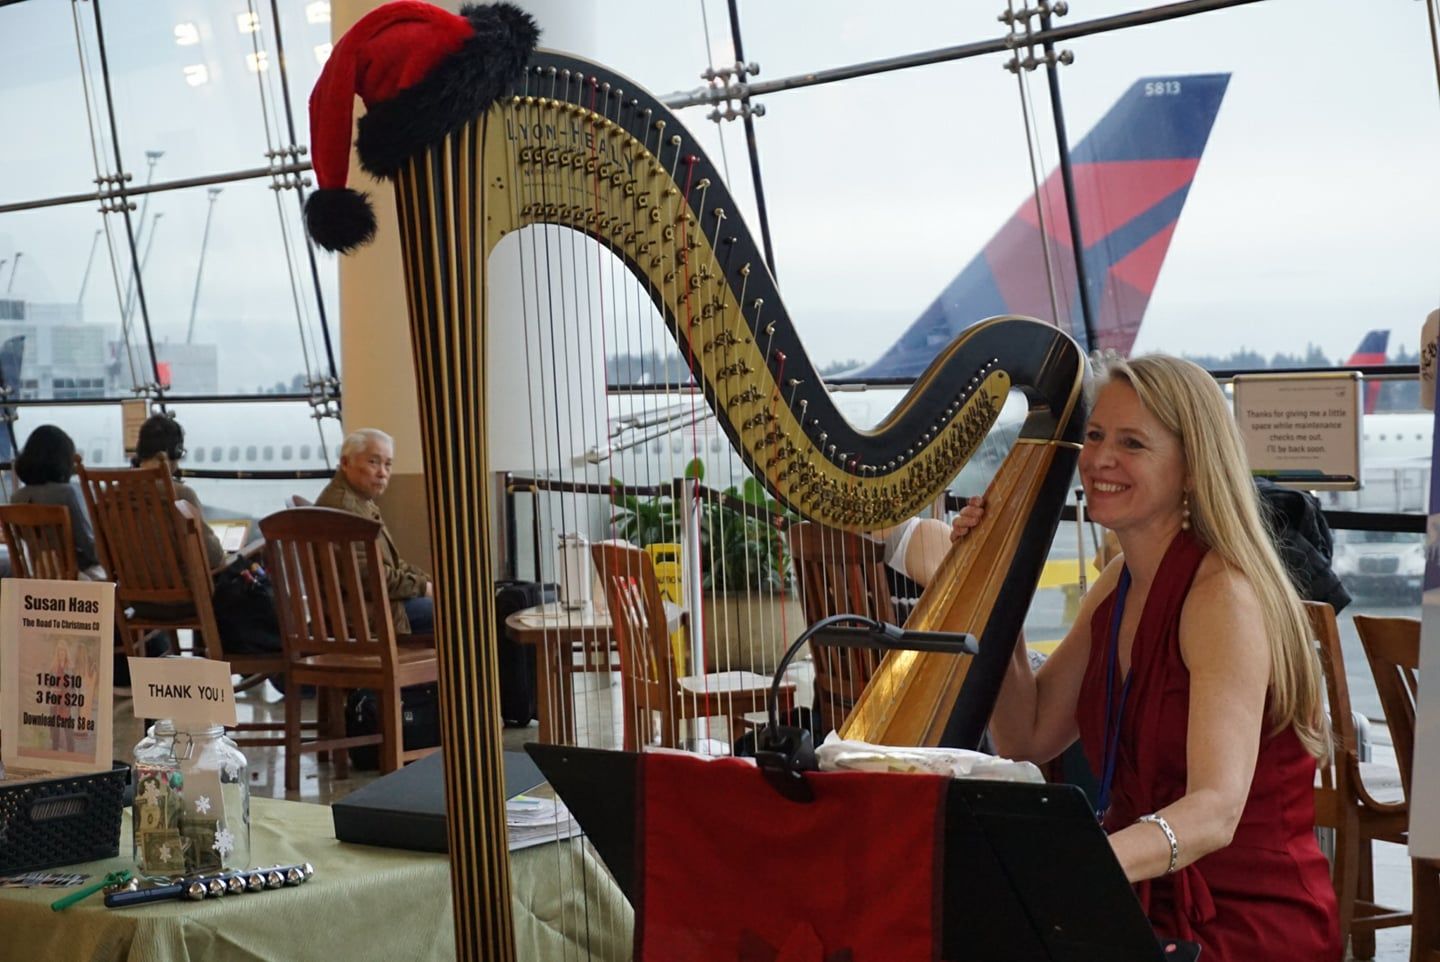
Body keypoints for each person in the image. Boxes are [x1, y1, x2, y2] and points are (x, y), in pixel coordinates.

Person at [952, 354, 1338, 960]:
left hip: (1245, 922)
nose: (1100, 458)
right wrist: (992, 588)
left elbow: (1216, 812)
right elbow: (1028, 734)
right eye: (1095, 435)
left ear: (1192, 469)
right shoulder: (1119, 581)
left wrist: (1078, 867)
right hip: (1132, 899)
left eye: (1132, 443)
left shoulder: (1223, 597)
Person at [316, 428, 433, 635]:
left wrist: (428, 581)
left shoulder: (359, 500)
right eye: (373, 462)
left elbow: (392, 564)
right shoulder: (346, 508)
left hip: (373, 606)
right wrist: (424, 588)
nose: (383, 473)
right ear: (345, 463)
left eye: (388, 464)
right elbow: (370, 578)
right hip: (365, 617)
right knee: (462, 610)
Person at [132, 414, 226, 571]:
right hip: (181, 585)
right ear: (174, 452)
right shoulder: (181, 494)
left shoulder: (109, 494)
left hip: (130, 584)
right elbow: (212, 556)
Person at [11, 424, 103, 578]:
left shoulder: (16, 499)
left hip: (39, 577)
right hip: (76, 577)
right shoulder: (67, 493)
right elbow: (89, 546)